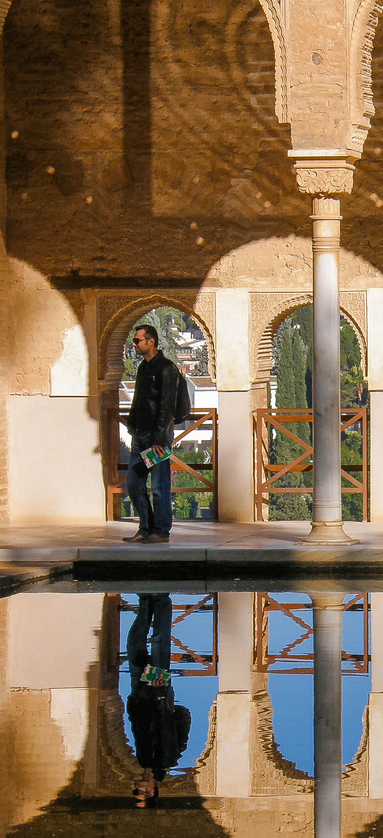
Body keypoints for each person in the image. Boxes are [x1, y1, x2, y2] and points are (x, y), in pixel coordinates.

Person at [125, 593, 191, 806]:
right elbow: (183, 719)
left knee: (135, 645)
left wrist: (132, 705)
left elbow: (139, 730)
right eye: (141, 793)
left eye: (135, 791)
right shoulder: (168, 760)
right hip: (157, 692)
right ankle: (161, 601)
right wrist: (165, 701)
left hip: (140, 695)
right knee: (159, 646)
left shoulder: (143, 761)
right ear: (152, 791)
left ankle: (145, 602)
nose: (137, 788)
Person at [124, 324, 179, 544]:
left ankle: (161, 531)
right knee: (134, 484)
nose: (135, 345)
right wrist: (132, 426)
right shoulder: (143, 368)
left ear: (151, 342)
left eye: (138, 341)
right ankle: (145, 528)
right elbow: (138, 400)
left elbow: (167, 407)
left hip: (157, 438)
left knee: (159, 485)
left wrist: (159, 439)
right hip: (140, 435)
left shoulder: (166, 369)